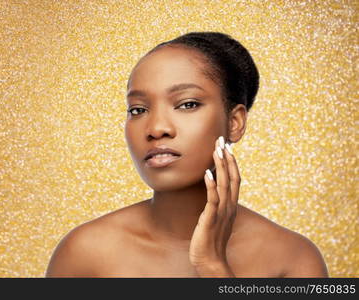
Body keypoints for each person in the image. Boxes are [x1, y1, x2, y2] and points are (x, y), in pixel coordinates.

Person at [45, 32, 329, 277]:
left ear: (234, 123)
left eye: (187, 104)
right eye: (138, 110)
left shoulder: (292, 260)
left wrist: (214, 267)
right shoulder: (84, 254)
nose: (156, 128)